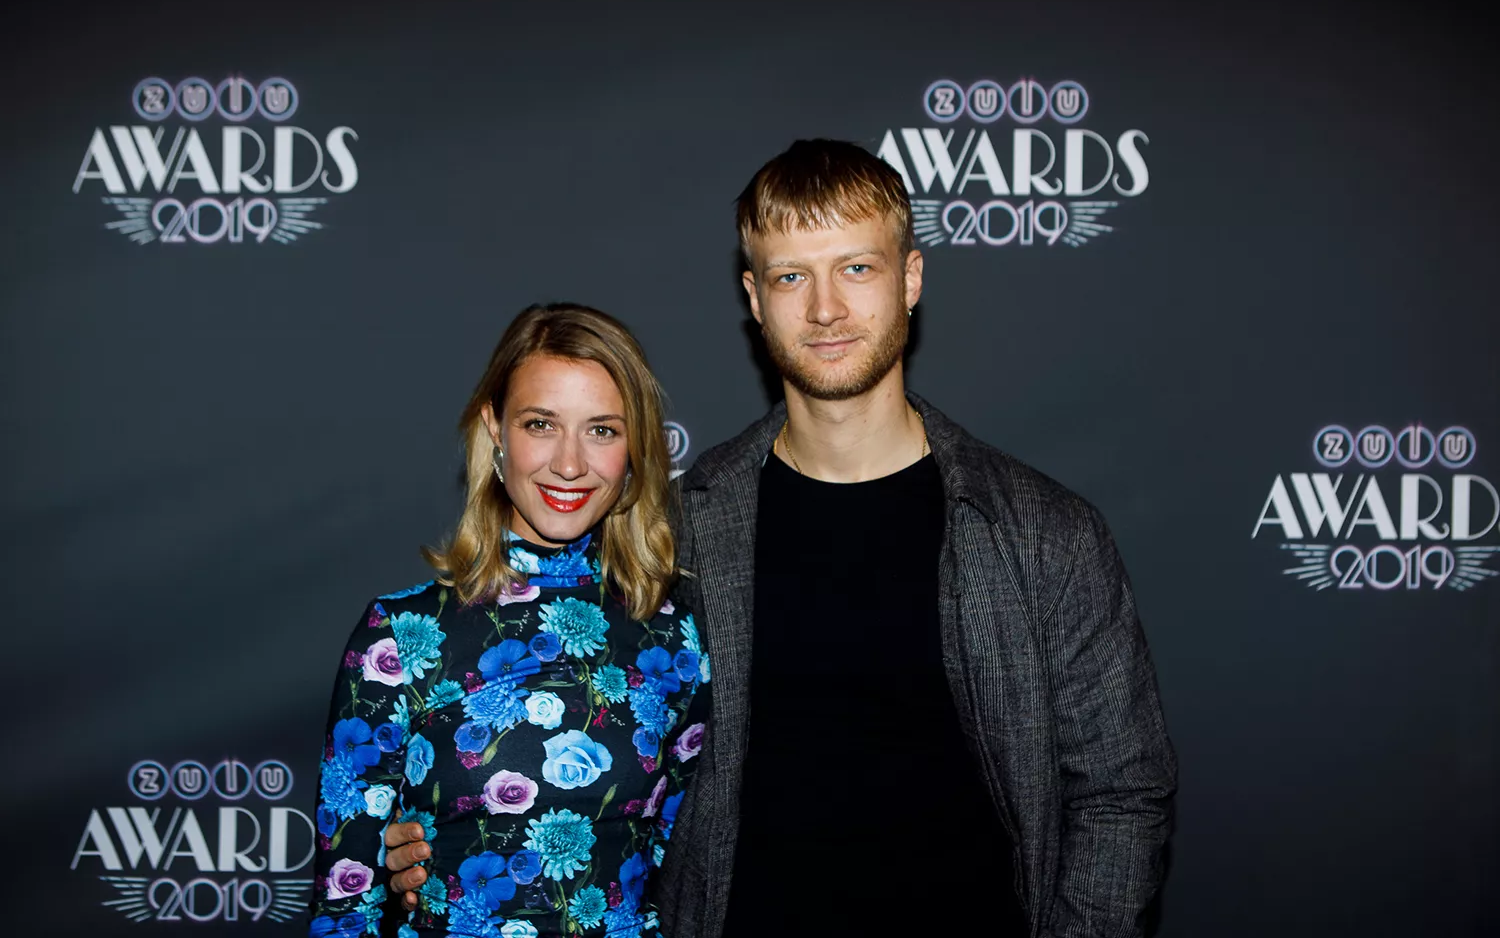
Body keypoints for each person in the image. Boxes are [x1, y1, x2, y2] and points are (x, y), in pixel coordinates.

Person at [386, 140, 1176, 936]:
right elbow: (558, 707)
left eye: (856, 269)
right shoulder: (675, 530)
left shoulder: (1042, 534)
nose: (825, 309)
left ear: (910, 279)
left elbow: (1121, 793)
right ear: (755, 298)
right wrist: (435, 833)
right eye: (792, 276)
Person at [308, 304, 709, 938]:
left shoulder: (676, 640)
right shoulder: (401, 635)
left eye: (602, 430)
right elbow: (343, 907)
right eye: (540, 424)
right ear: (495, 428)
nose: (569, 464)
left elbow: (687, 869)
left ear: (636, 445)